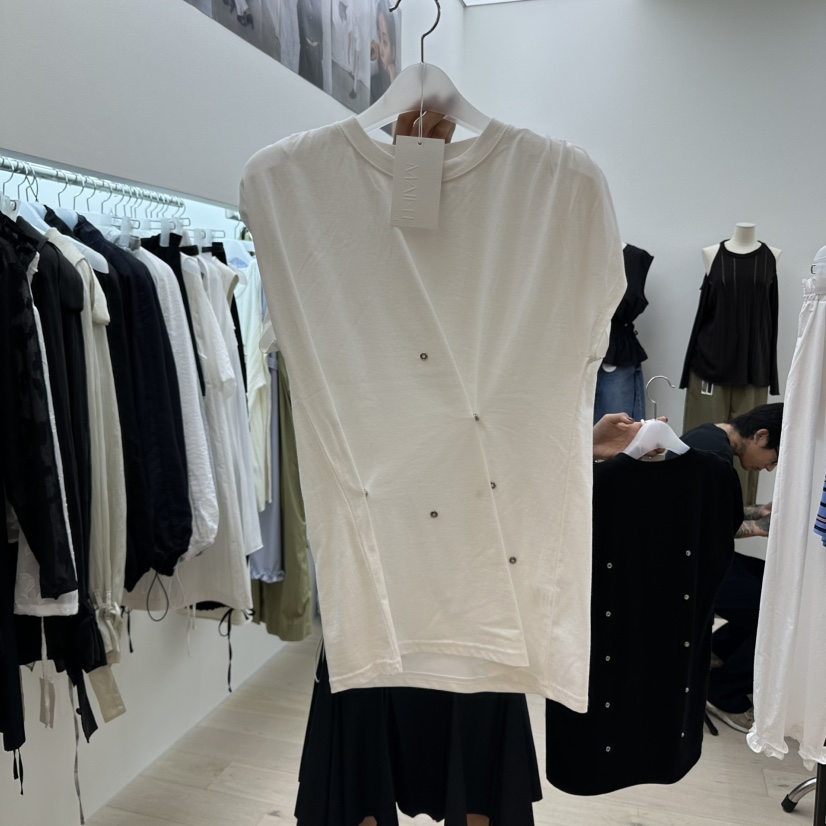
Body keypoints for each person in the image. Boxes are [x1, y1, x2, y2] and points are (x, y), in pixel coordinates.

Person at [678, 403, 783, 733]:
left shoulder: (710, 439)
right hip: (691, 569)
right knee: (779, 613)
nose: (769, 468)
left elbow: (714, 511)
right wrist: (760, 528)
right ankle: (723, 692)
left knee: (771, 583)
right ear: (761, 436)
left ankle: (717, 654)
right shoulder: (713, 456)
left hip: (702, 559)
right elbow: (707, 527)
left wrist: (757, 512)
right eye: (774, 458)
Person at [370, 0, 397, 103]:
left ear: (393, 51)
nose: (380, 49)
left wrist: (394, 84)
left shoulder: (402, 85)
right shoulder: (373, 83)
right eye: (379, 37)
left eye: (385, 42)